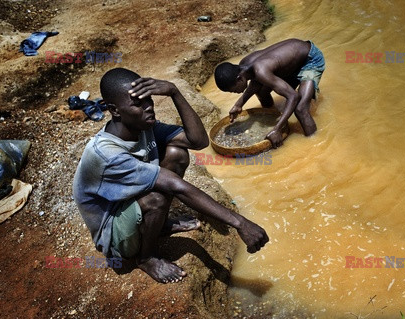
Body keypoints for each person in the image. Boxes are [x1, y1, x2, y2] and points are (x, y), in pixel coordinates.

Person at [72, 68, 269, 284]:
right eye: (139, 103)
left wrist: (174, 92)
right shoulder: (106, 154)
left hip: (127, 204)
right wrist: (240, 223)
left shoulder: (142, 127)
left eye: (149, 99)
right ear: (114, 110)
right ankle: (146, 257)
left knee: (176, 154)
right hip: (114, 234)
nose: (149, 108)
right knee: (157, 197)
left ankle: (159, 224)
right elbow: (174, 186)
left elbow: (199, 141)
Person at [214, 38, 325, 148]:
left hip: (310, 60)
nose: (236, 93)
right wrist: (239, 104)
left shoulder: (261, 71)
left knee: (300, 109)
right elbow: (255, 83)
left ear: (239, 79)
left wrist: (277, 129)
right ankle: (273, 114)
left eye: (234, 90)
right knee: (261, 92)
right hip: (292, 64)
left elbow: (293, 96)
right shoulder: (244, 64)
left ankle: (315, 144)